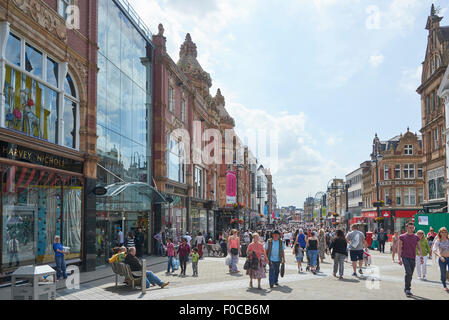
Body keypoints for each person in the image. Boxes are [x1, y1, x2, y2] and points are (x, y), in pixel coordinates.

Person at [398, 222, 424, 297]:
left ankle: (406, 287)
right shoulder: (402, 236)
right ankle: (408, 289)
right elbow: (399, 248)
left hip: (413, 257)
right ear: (407, 228)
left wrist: (421, 257)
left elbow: (419, 248)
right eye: (410, 227)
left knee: (410, 274)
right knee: (408, 272)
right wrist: (399, 259)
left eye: (412, 228)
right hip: (405, 257)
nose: (411, 229)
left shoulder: (416, 237)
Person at [432, 227, 449, 291]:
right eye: (442, 232)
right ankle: (444, 285)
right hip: (442, 259)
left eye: (445, 232)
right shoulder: (438, 241)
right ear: (440, 233)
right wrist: (440, 256)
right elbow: (434, 250)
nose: (444, 233)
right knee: (443, 273)